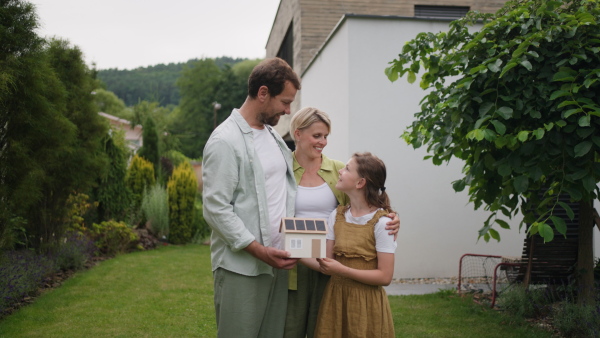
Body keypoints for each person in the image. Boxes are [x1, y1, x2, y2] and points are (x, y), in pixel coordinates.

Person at [202, 57, 301, 338]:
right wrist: (260, 251)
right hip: (241, 269)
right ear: (262, 93)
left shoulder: (273, 136)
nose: (288, 110)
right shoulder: (225, 140)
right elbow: (215, 209)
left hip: (276, 265)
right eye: (285, 101)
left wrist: (377, 208)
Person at [284, 108, 399, 338]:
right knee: (290, 330)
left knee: (327, 326)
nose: (323, 142)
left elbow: (365, 203)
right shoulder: (282, 168)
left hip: (332, 263)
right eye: (317, 136)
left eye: (326, 136)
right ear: (297, 133)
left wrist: (391, 216)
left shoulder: (338, 170)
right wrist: (288, 249)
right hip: (293, 263)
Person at [307, 152, 396, 338]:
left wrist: (342, 270)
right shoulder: (337, 215)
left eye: (347, 169)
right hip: (336, 300)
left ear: (360, 183)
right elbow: (327, 263)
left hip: (367, 303)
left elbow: (385, 276)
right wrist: (293, 253)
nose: (340, 171)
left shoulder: (382, 222)